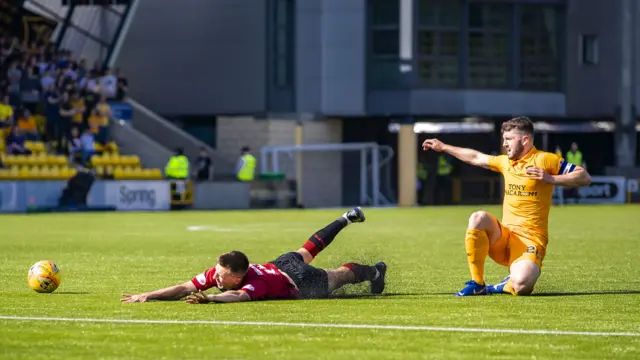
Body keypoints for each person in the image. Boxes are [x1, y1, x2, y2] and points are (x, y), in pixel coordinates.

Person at [422, 116, 591, 296]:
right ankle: (478, 284)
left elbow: (584, 176)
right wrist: (444, 147)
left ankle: (503, 285)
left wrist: (550, 179)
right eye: (504, 139)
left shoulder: (545, 160)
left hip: (530, 241)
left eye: (509, 139)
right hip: (503, 237)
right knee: (478, 218)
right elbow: (476, 157)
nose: (505, 144)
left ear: (525, 139)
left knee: (521, 286)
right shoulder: (505, 162)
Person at [121, 207, 387, 303]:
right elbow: (182, 287)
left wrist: (212, 300)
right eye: (218, 272)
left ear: (237, 277)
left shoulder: (253, 284)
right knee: (308, 249)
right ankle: (345, 218)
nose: (217, 279)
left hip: (301, 281)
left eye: (223, 277)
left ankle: (375, 272)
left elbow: (237, 296)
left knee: (340, 275)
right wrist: (149, 295)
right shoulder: (220, 272)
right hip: (281, 264)